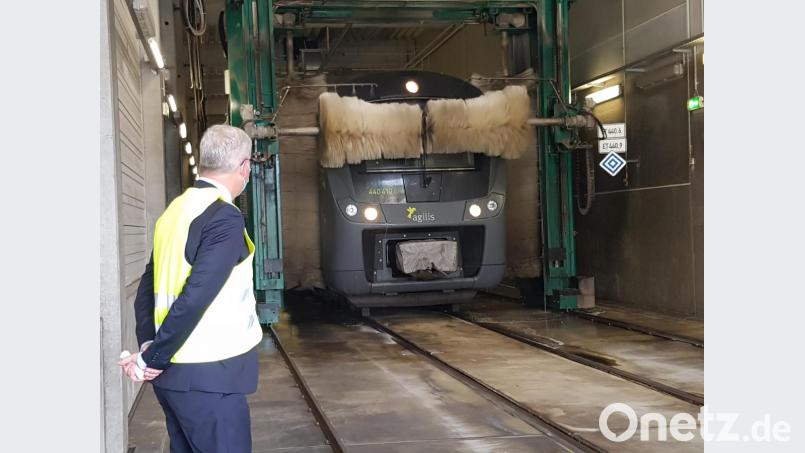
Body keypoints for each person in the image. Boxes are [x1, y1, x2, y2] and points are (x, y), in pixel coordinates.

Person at [118, 124, 263, 453]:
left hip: (173, 377)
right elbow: (197, 295)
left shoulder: (175, 210)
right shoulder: (224, 217)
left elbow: (148, 284)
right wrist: (153, 356)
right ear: (244, 167)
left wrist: (148, 346)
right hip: (210, 375)